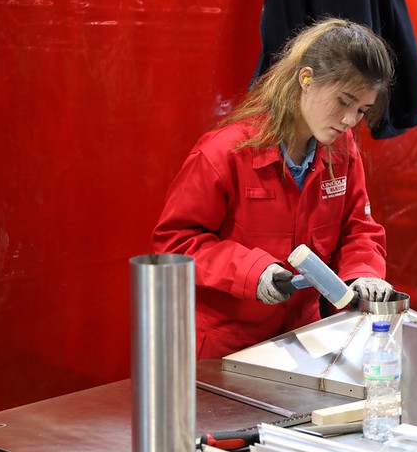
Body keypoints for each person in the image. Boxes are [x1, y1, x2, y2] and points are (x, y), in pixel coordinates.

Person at [153, 18, 395, 359]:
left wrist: (365, 274)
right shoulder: (224, 152)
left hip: (303, 341)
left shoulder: (342, 152)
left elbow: (358, 229)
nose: (350, 121)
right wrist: (253, 271)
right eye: (344, 102)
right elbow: (176, 243)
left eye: (362, 110)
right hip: (225, 350)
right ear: (306, 79)